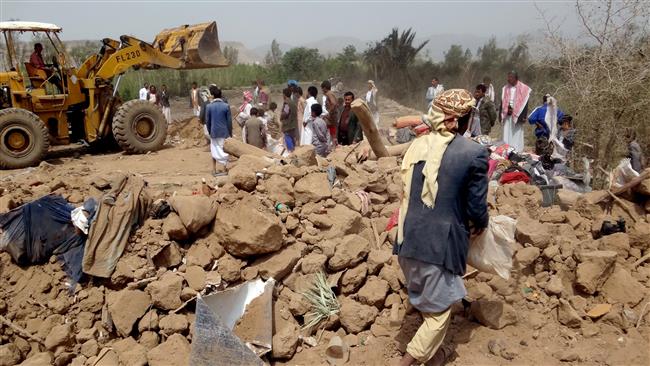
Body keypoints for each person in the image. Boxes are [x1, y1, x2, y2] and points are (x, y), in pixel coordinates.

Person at [394, 89, 488, 366]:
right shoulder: (474, 153)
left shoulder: (418, 146)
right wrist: (480, 225)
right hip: (439, 245)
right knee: (439, 314)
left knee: (428, 300)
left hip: (407, 238)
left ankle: (435, 358)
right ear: (463, 120)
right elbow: (476, 207)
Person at [500, 71, 531, 152]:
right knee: (507, 132)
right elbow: (502, 102)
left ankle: (516, 151)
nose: (508, 79)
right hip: (508, 114)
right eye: (508, 77)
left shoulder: (524, 89)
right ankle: (506, 150)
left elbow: (524, 103)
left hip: (518, 115)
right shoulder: (505, 88)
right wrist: (504, 112)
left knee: (516, 133)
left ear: (515, 78)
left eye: (510, 77)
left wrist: (523, 116)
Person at [205, 86, 232, 175]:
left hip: (214, 132)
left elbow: (207, 121)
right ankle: (224, 169)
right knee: (224, 150)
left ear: (213, 96)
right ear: (221, 95)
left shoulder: (209, 106)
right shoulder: (226, 106)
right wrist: (230, 133)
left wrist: (209, 131)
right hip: (224, 132)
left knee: (214, 150)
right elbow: (229, 122)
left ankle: (214, 169)